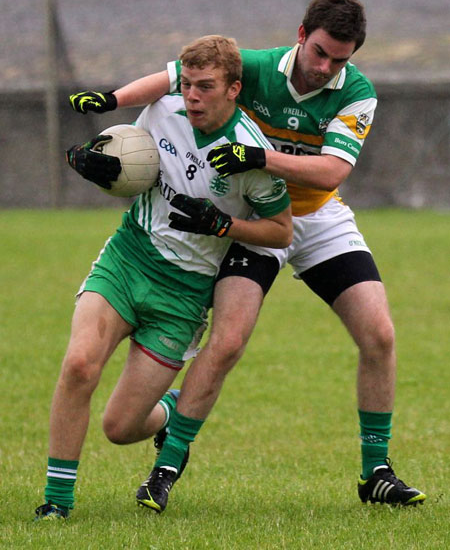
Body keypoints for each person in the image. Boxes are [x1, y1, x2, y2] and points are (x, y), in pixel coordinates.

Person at [69, 0, 426, 509]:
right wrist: (113, 100)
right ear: (301, 36)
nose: (326, 67)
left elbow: (333, 170)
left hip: (318, 216)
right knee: (230, 340)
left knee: (380, 334)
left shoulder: (357, 93)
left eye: (340, 59)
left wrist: (260, 155)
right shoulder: (256, 68)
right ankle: (166, 469)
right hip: (253, 219)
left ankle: (376, 473)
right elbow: (174, 76)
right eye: (320, 52)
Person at [34, 35, 292, 520]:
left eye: (206, 87)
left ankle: (169, 412)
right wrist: (90, 162)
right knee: (79, 365)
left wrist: (224, 225)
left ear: (234, 89)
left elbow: (281, 231)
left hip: (183, 295)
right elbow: (131, 165)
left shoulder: (251, 155)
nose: (192, 96)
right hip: (129, 259)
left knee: (120, 426)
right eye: (188, 84)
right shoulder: (162, 110)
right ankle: (56, 502)